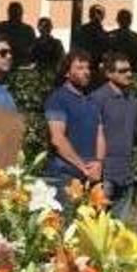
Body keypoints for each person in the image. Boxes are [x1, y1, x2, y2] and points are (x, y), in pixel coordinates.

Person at [43, 50, 105, 214]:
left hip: (90, 177)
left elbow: (99, 134)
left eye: (88, 68)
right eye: (79, 68)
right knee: (65, 230)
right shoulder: (57, 99)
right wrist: (84, 167)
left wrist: (98, 162)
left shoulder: (91, 101)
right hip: (64, 177)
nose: (86, 72)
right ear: (66, 72)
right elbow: (57, 138)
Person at [90, 51, 137, 224]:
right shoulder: (97, 99)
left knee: (119, 226)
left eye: (129, 70)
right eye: (122, 71)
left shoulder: (132, 99)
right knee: (97, 224)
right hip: (105, 173)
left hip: (125, 170)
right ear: (109, 74)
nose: (129, 74)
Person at [0, 2, 35, 67]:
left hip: (21, 65)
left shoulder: (28, 29)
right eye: (13, 13)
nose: (15, 15)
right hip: (2, 64)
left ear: (21, 13)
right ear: (8, 13)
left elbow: (32, 48)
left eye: (18, 13)